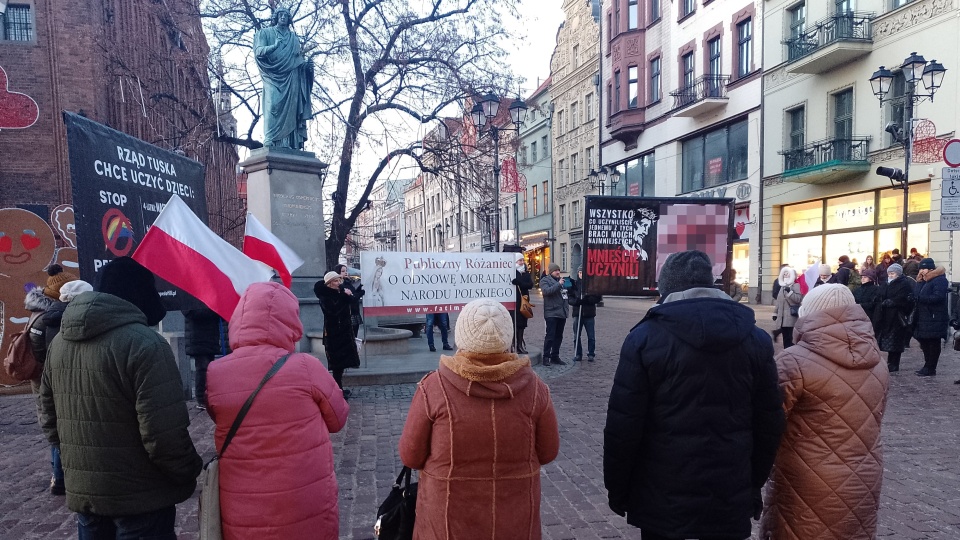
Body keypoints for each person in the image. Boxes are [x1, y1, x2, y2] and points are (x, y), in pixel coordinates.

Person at [604, 251, 784, 540]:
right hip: (729, 488)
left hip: (662, 493)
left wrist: (618, 488)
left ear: (666, 289)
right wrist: (751, 483)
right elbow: (769, 423)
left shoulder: (644, 338)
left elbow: (623, 427)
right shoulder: (756, 339)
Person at [39, 256, 201, 539]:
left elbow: (48, 416)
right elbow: (163, 435)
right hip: (141, 497)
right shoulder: (146, 344)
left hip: (87, 494)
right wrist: (188, 471)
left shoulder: (60, 342)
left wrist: (77, 465)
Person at [399, 298, 559, 539]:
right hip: (514, 519)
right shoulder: (535, 389)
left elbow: (410, 455)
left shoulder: (434, 388)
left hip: (447, 519)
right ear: (507, 337)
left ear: (462, 337)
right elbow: (548, 451)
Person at [207, 282, 349, 540]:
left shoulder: (216, 373)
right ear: (290, 320)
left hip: (244, 504)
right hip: (304, 499)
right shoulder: (306, 366)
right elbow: (338, 418)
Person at [760, 284, 889, 540]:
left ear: (809, 313)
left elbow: (769, 422)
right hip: (864, 474)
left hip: (805, 478)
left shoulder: (793, 361)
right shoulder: (877, 361)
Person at [38, 279, 92, 496]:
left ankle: (59, 476)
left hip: (57, 378)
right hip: (78, 379)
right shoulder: (78, 321)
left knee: (61, 428)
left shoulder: (49, 319)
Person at [253, 7, 314, 149]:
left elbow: (298, 62)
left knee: (291, 111)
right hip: (272, 76)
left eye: (286, 15)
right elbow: (258, 52)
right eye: (280, 14)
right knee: (273, 104)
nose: (283, 17)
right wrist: (274, 46)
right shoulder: (265, 33)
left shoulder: (293, 39)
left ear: (289, 19)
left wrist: (307, 68)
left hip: (292, 76)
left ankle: (288, 143)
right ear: (275, 17)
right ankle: (270, 139)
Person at [314, 271, 361, 398]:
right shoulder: (325, 296)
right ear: (329, 283)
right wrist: (344, 296)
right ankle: (337, 391)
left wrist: (356, 293)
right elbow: (333, 311)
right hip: (334, 334)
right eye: (335, 281)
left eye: (339, 280)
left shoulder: (338, 293)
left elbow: (350, 301)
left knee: (341, 365)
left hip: (344, 333)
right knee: (337, 365)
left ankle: (339, 389)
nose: (338, 283)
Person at [875, 263, 914, 372]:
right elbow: (880, 294)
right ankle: (889, 362)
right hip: (885, 316)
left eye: (892, 273)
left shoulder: (904, 284)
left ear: (898, 274)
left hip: (897, 317)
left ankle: (894, 363)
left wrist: (893, 302)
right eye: (889, 273)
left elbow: (905, 299)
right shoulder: (885, 284)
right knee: (887, 340)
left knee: (896, 341)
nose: (890, 275)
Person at [913, 258, 949, 376]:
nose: (921, 271)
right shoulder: (923, 281)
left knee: (933, 342)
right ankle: (927, 365)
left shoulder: (939, 280)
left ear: (931, 269)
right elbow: (917, 294)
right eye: (920, 269)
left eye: (924, 269)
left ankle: (930, 367)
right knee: (924, 342)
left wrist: (921, 299)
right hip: (923, 316)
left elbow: (938, 297)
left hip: (934, 316)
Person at [183, 307, 222, 410]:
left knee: (209, 368)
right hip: (198, 337)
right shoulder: (189, 298)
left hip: (210, 336)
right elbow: (190, 312)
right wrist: (212, 309)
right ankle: (201, 399)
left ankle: (208, 396)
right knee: (202, 368)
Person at [568, 266, 601, 362]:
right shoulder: (574, 285)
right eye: (580, 272)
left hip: (589, 314)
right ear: (578, 274)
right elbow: (570, 299)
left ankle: (591, 353)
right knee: (576, 335)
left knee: (591, 336)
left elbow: (597, 298)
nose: (582, 274)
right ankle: (578, 354)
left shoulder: (592, 284)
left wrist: (588, 300)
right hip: (577, 314)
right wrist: (577, 301)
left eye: (583, 272)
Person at [539, 263, 569, 366]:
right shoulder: (545, 280)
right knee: (550, 336)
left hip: (562, 312)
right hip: (551, 312)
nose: (558, 272)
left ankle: (555, 356)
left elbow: (565, 295)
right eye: (556, 271)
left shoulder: (561, 281)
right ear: (551, 272)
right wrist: (558, 284)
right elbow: (546, 291)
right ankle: (546, 357)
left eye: (559, 270)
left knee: (559, 336)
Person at [773, 266, 802, 348]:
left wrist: (790, 292)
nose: (786, 276)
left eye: (788, 274)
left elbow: (798, 299)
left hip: (791, 317)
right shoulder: (782, 287)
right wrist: (775, 313)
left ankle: (791, 353)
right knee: (785, 338)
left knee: (791, 338)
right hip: (782, 318)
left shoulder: (796, 286)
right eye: (784, 274)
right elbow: (778, 301)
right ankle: (786, 352)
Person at [334, 264, 364, 337]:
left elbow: (353, 292)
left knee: (354, 334)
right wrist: (360, 293)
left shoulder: (348, 282)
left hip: (354, 311)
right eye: (343, 271)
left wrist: (360, 287)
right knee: (349, 335)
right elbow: (351, 297)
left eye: (346, 271)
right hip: (347, 312)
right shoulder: (340, 285)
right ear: (338, 273)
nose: (346, 273)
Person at [511, 257, 534, 354]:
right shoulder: (511, 272)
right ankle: (512, 345)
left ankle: (519, 345)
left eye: (522, 260)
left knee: (521, 325)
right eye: (519, 260)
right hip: (514, 301)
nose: (522, 262)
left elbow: (530, 285)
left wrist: (519, 283)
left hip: (523, 301)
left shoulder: (525, 273)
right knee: (513, 324)